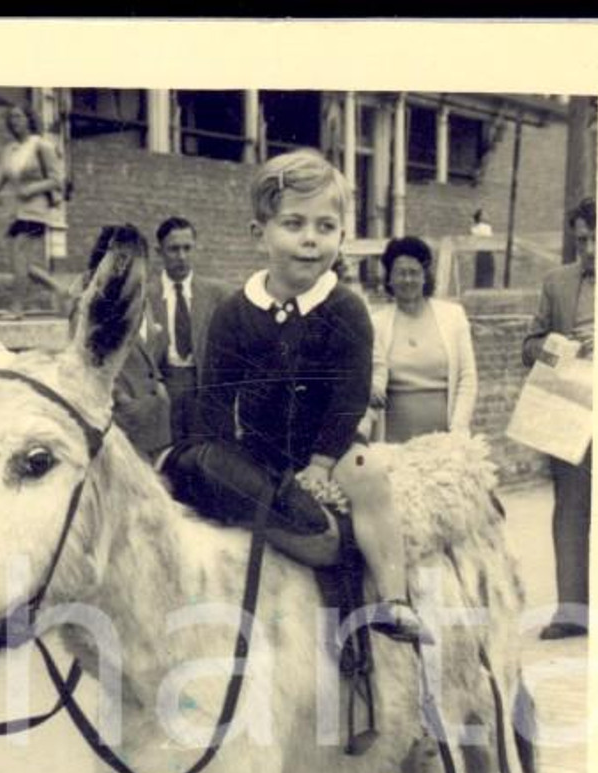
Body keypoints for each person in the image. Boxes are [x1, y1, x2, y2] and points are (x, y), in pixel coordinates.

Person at [163, 148, 428, 645]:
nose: (310, 239)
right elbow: (217, 396)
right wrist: (218, 455)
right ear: (259, 233)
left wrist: (323, 463)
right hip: (258, 448)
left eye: (326, 227)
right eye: (294, 224)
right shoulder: (235, 313)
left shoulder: (344, 309)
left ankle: (394, 597)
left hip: (329, 443)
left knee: (370, 479)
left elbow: (350, 393)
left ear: (341, 237)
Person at [522, 197, 595, 640]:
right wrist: (554, 346)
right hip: (569, 411)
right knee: (570, 509)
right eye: (581, 240)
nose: (588, 249)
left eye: (596, 240)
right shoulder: (557, 282)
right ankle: (572, 612)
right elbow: (528, 345)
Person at [36, 226, 172, 463]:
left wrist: (158, 387)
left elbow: (149, 347)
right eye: (124, 259)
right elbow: (85, 362)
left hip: (155, 421)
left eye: (138, 258)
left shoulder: (138, 298)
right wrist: (125, 402)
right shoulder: (90, 307)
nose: (133, 267)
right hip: (124, 422)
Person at [367, 235, 478, 445]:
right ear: (389, 279)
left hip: (446, 445)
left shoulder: (453, 316)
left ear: (425, 276)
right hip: (393, 445)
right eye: (400, 273)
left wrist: (458, 432)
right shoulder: (377, 323)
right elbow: (374, 375)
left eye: (414, 273)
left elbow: (467, 377)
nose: (407, 280)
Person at [0, 103, 65, 316]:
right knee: (20, 263)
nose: (15, 121)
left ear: (30, 120)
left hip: (37, 211)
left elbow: (57, 180)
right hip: (20, 211)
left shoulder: (42, 146)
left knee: (20, 258)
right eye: (12, 118)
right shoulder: (10, 150)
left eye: (19, 117)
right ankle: (59, 289)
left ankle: (17, 308)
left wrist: (32, 188)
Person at [146, 217, 231, 448]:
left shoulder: (219, 294)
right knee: (166, 453)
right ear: (159, 251)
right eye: (174, 249)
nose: (182, 256)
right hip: (164, 386)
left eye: (187, 248)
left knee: (202, 453)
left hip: (202, 384)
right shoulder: (144, 296)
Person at [471, 208, 496, 289]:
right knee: (488, 274)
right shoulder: (486, 227)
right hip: (487, 253)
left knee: (480, 275)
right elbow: (490, 239)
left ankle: (479, 289)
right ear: (481, 217)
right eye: (485, 214)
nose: (488, 215)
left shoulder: (474, 228)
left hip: (479, 254)